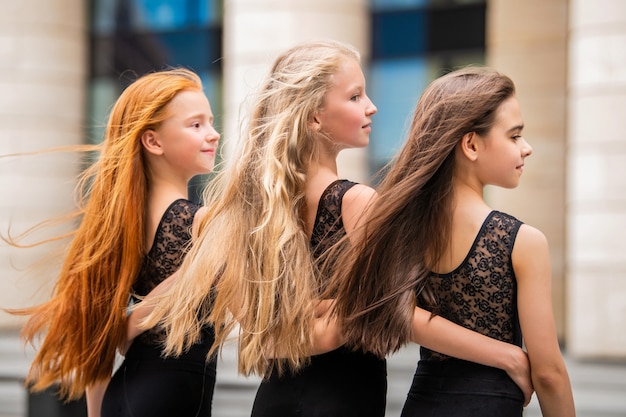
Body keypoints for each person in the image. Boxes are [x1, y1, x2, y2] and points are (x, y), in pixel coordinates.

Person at [140, 41, 532, 417]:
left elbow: (267, 334)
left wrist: (322, 314)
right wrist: (506, 354)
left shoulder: (249, 212)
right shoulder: (357, 202)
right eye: (355, 97)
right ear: (314, 116)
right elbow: (399, 315)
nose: (373, 107)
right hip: (342, 401)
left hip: (274, 401)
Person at [331, 66, 575, 417]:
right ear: (472, 145)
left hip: (422, 403)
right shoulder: (523, 241)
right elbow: (549, 374)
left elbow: (398, 314)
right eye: (515, 136)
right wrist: (511, 357)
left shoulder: (404, 232)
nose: (527, 148)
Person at [5, 68, 221, 417]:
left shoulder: (120, 226)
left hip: (122, 397)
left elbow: (100, 340)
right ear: (153, 141)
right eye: (196, 125)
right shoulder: (202, 222)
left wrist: (129, 326)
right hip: (170, 399)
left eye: (210, 122)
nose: (214, 134)